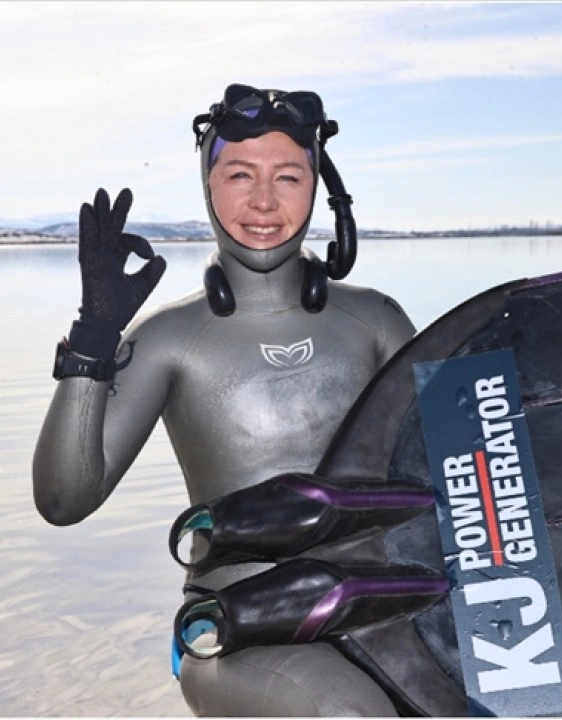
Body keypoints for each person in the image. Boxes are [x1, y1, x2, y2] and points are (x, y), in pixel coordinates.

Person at [32, 84, 417, 716]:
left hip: (384, 610)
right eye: (239, 174)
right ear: (207, 185)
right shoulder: (168, 340)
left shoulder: (376, 320)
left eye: (288, 177)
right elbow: (63, 499)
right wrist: (92, 345)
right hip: (236, 632)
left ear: (318, 188)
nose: (264, 201)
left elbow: (461, 474)